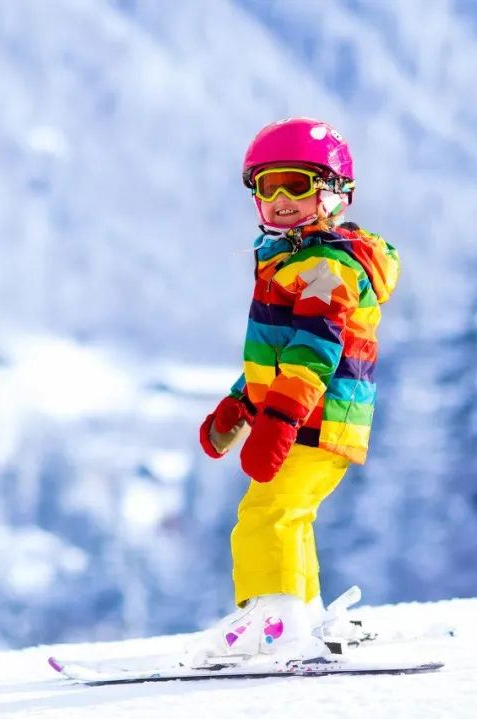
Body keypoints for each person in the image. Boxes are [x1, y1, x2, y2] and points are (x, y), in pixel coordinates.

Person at [187, 117, 400, 667]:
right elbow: (277, 353)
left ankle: (275, 623)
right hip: (316, 416)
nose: (281, 198)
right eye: (267, 185)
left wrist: (278, 420)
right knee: (291, 514)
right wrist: (240, 404)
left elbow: (312, 353)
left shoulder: (325, 266)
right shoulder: (293, 261)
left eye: (298, 184)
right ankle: (301, 616)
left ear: (336, 193)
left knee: (267, 513)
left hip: (314, 418)